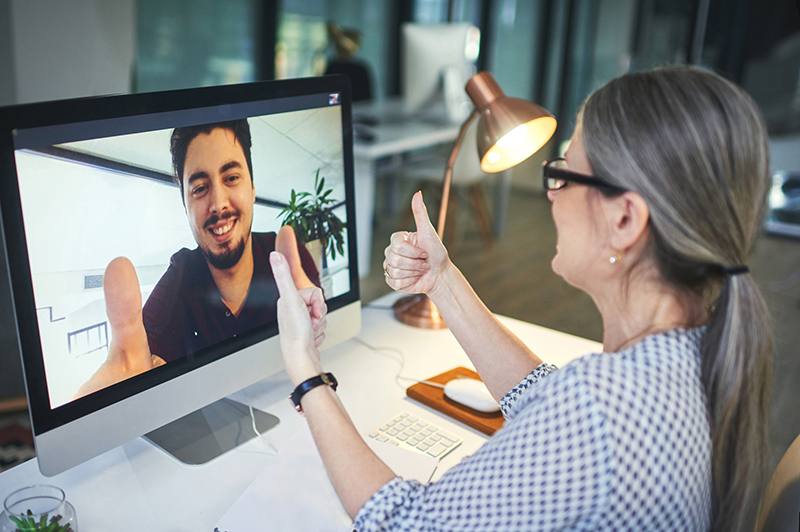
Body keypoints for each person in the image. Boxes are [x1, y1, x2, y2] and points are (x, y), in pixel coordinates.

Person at [270, 66, 773, 532]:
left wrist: (305, 369)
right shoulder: (694, 350)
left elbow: (400, 523)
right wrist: (441, 281)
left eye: (565, 175)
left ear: (625, 220)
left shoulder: (600, 410)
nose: (551, 193)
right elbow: (546, 399)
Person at [74, 119, 324, 398]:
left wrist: (316, 328)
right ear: (185, 206)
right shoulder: (177, 283)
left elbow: (320, 343)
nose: (218, 204)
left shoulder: (291, 262)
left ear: (252, 187)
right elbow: (139, 358)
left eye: (231, 178)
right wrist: (125, 396)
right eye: (200, 188)